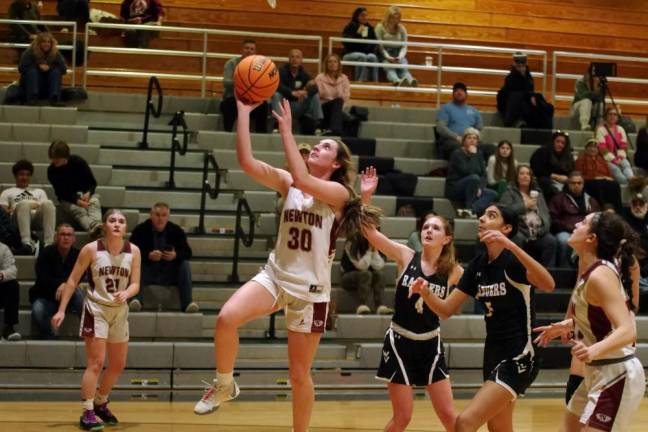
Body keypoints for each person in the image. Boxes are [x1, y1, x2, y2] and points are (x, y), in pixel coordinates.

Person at [193, 98, 380, 432]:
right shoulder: (290, 181)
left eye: (325, 147)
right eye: (318, 144)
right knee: (225, 319)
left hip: (311, 294)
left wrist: (286, 130)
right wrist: (244, 114)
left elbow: (306, 181)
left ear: (336, 163)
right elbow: (247, 162)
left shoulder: (337, 192)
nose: (318, 148)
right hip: (276, 277)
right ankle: (224, 384)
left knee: (298, 375)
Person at [407, 204, 555, 431]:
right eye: (483, 214)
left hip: (520, 354)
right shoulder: (478, 265)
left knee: (464, 423)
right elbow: (446, 310)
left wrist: (511, 246)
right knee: (498, 428)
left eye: (491, 216)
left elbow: (548, 284)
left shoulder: (513, 260)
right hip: (493, 352)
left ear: (506, 228)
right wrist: (425, 292)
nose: (482, 218)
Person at [359, 166, 457, 431]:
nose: (428, 230)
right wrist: (366, 196)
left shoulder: (455, 271)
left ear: (446, 238)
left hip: (430, 343)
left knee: (450, 417)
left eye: (436, 227)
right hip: (400, 341)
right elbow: (370, 233)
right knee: (403, 417)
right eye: (425, 226)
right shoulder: (405, 255)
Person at [533, 211, 645, 432]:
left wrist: (593, 350)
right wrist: (567, 325)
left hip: (616, 374)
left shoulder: (600, 275)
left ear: (591, 238)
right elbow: (602, 318)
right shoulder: (592, 270)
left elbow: (628, 330)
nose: (575, 224)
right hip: (597, 373)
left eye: (583, 223)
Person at [51, 209, 141, 431]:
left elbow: (136, 283)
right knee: (96, 363)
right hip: (96, 309)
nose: (117, 224)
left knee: (118, 364)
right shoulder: (91, 249)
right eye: (112, 220)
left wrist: (127, 293)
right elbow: (72, 281)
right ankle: (87, 411)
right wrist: (61, 310)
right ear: (104, 225)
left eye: (121, 221)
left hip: (120, 310)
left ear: (125, 227)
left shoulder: (134, 251)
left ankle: (101, 401)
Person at [128, 202, 198, 313]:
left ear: (168, 217)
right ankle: (136, 299)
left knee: (184, 264)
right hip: (148, 271)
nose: (160, 219)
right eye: (157, 215)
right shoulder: (140, 230)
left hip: (168, 273)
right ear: (151, 215)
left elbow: (188, 253)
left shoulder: (176, 230)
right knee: (138, 263)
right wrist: (148, 255)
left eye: (164, 215)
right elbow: (130, 251)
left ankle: (187, 302)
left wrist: (175, 255)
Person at [30, 223, 84, 338]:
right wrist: (61, 284)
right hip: (47, 298)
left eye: (69, 235)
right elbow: (43, 278)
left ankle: (87, 330)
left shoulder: (78, 255)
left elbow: (80, 276)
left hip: (69, 299)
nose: (66, 238)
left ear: (74, 239)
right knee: (37, 309)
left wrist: (65, 285)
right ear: (56, 237)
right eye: (62, 234)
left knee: (79, 294)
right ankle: (50, 333)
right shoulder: (46, 253)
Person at [500, 164, 557, 267]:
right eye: (522, 173)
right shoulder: (510, 192)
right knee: (517, 239)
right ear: (517, 177)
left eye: (528, 174)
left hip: (538, 232)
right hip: (520, 231)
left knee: (551, 241)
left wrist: (544, 229)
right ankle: (516, 274)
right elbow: (505, 211)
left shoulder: (538, 193)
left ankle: (546, 275)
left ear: (531, 178)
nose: (525, 176)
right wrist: (525, 205)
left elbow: (546, 214)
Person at [47, 139, 103, 239]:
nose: (54, 161)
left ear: (65, 157)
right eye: (52, 158)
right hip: (68, 199)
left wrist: (88, 193)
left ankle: (96, 229)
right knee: (78, 210)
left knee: (94, 202)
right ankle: (95, 228)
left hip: (85, 195)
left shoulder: (78, 162)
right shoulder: (52, 171)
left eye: (57, 159)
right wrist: (77, 201)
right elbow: (62, 193)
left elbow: (92, 182)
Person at [0, 159, 56, 255]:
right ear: (16, 176)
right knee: (23, 204)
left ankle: (49, 244)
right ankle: (27, 243)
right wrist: (21, 206)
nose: (24, 177)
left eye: (27, 174)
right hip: (17, 220)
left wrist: (29, 205)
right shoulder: (7, 192)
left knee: (49, 203)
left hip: (36, 218)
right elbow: (3, 211)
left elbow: (44, 206)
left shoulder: (39, 191)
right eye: (21, 174)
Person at [550, 171, 600, 268]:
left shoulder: (591, 200)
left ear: (583, 184)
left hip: (587, 232)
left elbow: (597, 218)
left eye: (579, 183)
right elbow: (553, 219)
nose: (576, 186)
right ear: (568, 184)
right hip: (566, 231)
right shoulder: (559, 199)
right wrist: (568, 227)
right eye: (573, 183)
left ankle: (591, 271)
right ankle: (564, 270)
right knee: (564, 240)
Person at [444, 128, 498, 218]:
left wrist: (480, 187)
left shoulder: (479, 154)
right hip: (455, 188)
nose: (472, 140)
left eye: (475, 138)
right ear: (464, 141)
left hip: (473, 188)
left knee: (492, 193)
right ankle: (469, 208)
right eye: (469, 138)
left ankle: (470, 211)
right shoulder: (457, 154)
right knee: (474, 178)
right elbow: (467, 171)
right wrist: (473, 155)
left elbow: (484, 175)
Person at [220, 39, 268, 133]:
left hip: (252, 100)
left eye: (251, 49)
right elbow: (226, 82)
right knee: (227, 105)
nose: (249, 51)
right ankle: (227, 134)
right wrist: (242, 83)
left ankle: (261, 136)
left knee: (264, 106)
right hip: (234, 98)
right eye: (246, 48)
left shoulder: (260, 66)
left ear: (255, 52)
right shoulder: (232, 63)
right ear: (241, 50)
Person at [271, 49, 323, 135]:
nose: (295, 59)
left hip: (300, 105)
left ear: (301, 60)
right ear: (289, 59)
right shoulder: (281, 71)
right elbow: (277, 85)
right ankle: (277, 125)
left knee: (315, 96)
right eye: (292, 57)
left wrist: (305, 92)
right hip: (285, 105)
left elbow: (315, 87)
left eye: (298, 57)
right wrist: (292, 93)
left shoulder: (304, 73)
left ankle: (318, 126)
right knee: (276, 95)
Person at [340, 233, 390, 315]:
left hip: (367, 275)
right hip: (348, 276)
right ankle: (362, 305)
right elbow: (360, 266)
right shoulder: (352, 241)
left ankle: (380, 306)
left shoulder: (380, 240)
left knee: (379, 274)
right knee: (366, 274)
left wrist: (375, 250)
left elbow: (379, 266)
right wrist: (370, 251)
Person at [437, 82, 484, 160]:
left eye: (462, 91)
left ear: (466, 94)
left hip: (471, 141)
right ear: (453, 94)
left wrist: (472, 139)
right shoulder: (446, 108)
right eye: (456, 91)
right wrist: (457, 137)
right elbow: (440, 128)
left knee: (490, 148)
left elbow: (479, 128)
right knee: (457, 148)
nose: (459, 93)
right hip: (453, 141)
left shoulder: (474, 110)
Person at [18, 32, 67, 106]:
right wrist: (38, 67)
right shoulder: (30, 52)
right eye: (44, 42)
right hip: (31, 85)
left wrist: (50, 67)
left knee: (56, 72)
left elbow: (63, 69)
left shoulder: (55, 53)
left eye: (48, 42)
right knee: (32, 72)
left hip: (48, 85)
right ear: (38, 43)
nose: (46, 44)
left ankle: (54, 99)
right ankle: (32, 99)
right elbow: (21, 68)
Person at [575, 138, 622, 212]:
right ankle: (603, 209)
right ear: (586, 149)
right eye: (590, 147)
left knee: (615, 184)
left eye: (595, 147)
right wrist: (595, 178)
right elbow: (579, 176)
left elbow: (609, 175)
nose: (592, 149)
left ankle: (616, 211)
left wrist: (609, 178)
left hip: (603, 181)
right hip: (589, 182)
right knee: (598, 184)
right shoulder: (580, 160)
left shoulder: (602, 160)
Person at [375, 5, 416, 87]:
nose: (395, 20)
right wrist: (388, 57)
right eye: (393, 18)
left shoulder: (401, 28)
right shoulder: (380, 27)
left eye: (397, 18)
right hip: (385, 53)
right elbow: (380, 46)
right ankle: (396, 81)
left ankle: (411, 82)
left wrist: (400, 57)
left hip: (398, 53)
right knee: (390, 68)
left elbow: (404, 46)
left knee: (403, 68)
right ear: (388, 17)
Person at [530, 130, 574, 202]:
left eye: (563, 143)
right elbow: (537, 170)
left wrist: (567, 178)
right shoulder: (542, 152)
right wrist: (555, 176)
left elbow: (571, 171)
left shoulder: (568, 156)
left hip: (563, 182)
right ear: (553, 141)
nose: (560, 144)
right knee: (546, 183)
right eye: (558, 141)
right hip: (545, 180)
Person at [622, 193, 648, 313]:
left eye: (641, 204)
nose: (638, 207)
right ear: (630, 205)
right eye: (635, 204)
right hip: (631, 261)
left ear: (646, 205)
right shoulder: (624, 221)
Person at [314, 54, 351, 136]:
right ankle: (335, 130)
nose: (332, 64)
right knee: (338, 101)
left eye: (335, 62)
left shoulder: (344, 78)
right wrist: (333, 99)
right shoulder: (320, 78)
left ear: (338, 64)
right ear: (326, 65)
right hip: (323, 108)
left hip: (338, 109)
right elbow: (318, 95)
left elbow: (346, 96)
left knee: (351, 119)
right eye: (330, 62)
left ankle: (337, 133)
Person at [596, 106, 634, 185]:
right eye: (610, 114)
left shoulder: (621, 129)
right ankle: (628, 184)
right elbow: (602, 148)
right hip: (605, 158)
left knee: (626, 164)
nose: (612, 116)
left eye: (615, 114)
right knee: (615, 169)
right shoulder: (601, 129)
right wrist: (613, 159)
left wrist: (620, 157)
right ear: (606, 116)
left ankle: (632, 180)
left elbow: (624, 145)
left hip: (619, 156)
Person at [341, 7, 379, 82]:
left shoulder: (370, 28)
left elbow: (373, 43)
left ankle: (374, 82)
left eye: (366, 15)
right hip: (349, 53)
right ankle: (359, 82)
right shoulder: (350, 26)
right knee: (362, 56)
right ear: (357, 16)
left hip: (366, 53)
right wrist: (357, 34)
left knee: (373, 57)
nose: (365, 17)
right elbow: (346, 42)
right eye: (362, 15)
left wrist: (367, 47)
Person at [0, 242, 21, 341]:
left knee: (13, 285)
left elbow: (13, 270)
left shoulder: (3, 248)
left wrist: (2, 274)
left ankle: (9, 328)